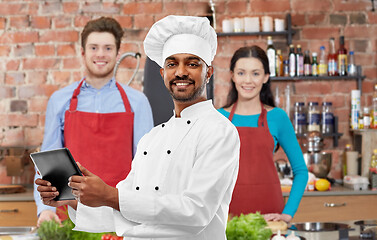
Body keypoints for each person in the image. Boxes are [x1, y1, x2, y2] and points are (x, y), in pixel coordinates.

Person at [36, 15, 240, 240]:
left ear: (208, 72)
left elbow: (196, 211)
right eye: (172, 64)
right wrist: (72, 200)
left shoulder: (219, 131)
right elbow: (126, 212)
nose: (180, 72)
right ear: (163, 74)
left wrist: (110, 195)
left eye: (192, 63)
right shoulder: (152, 138)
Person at [34, 17, 154, 227]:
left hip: (121, 215)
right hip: (72, 215)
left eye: (108, 48)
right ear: (83, 53)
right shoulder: (60, 101)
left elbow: (147, 166)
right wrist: (45, 210)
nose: (100, 54)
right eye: (94, 47)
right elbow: (48, 165)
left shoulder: (138, 103)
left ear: (117, 54)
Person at [218, 45, 308, 223]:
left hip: (270, 215)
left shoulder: (278, 117)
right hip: (229, 215)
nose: (248, 80)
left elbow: (301, 171)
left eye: (256, 73)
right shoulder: (218, 118)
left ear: (266, 77)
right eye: (241, 73)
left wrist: (287, 214)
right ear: (232, 76)